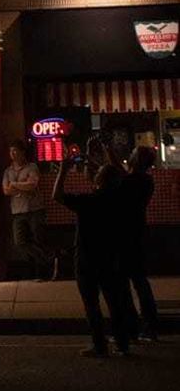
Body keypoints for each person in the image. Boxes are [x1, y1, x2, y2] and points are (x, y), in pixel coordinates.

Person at [53, 138, 130, 357]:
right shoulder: (119, 198)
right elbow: (115, 174)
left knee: (91, 304)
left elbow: (57, 196)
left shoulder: (88, 201)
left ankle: (99, 345)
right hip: (111, 256)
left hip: (87, 257)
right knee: (114, 301)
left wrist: (63, 170)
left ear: (98, 180)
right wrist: (98, 154)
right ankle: (122, 342)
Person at [120, 146, 158, 341]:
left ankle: (136, 326)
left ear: (138, 160)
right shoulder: (145, 180)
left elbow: (120, 175)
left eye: (133, 153)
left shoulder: (135, 179)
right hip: (137, 232)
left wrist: (107, 150)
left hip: (128, 235)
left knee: (128, 283)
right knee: (139, 281)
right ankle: (148, 325)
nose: (130, 155)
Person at [3, 139, 52, 281]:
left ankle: (41, 272)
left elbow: (32, 185)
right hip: (17, 211)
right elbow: (6, 190)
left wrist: (15, 185)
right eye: (11, 151)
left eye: (15, 150)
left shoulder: (32, 167)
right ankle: (48, 259)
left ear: (22, 152)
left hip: (35, 209)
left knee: (38, 239)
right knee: (20, 242)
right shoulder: (8, 171)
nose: (13, 154)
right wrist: (21, 185)